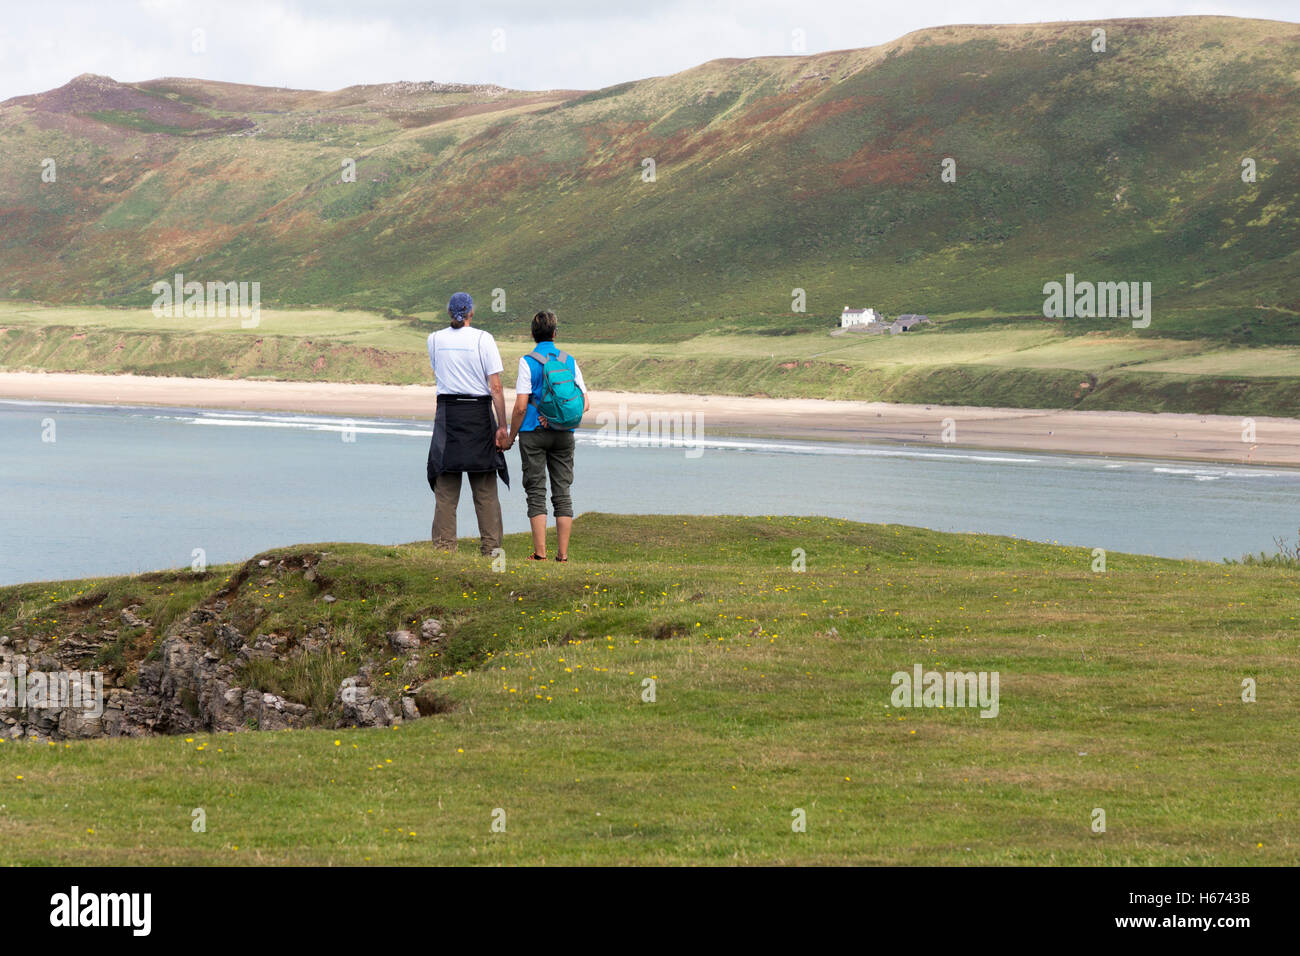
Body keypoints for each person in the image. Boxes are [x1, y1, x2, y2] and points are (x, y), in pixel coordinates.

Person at [425, 292, 510, 554]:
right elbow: (495, 387)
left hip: (449, 413)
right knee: (484, 489)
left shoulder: (434, 339)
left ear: (449, 313)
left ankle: (444, 549)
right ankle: (492, 549)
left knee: (446, 488)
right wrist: (502, 426)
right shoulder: (484, 339)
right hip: (478, 413)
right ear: (471, 312)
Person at [504, 310, 588, 562]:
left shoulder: (527, 361)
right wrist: (556, 419)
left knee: (536, 491)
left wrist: (510, 437)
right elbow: (584, 403)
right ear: (555, 333)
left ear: (533, 334)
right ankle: (562, 556)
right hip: (564, 434)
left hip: (533, 433)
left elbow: (520, 406)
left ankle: (540, 553)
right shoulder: (569, 360)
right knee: (562, 491)